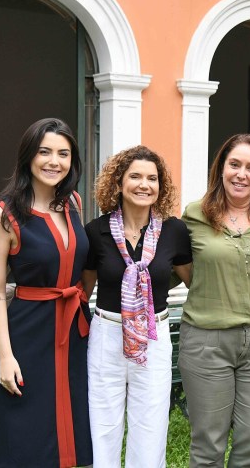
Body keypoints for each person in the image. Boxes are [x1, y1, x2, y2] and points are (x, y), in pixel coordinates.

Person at [0, 118, 92, 467]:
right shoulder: (3, 214)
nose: (55, 162)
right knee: (25, 428)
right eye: (45, 152)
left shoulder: (74, 204)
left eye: (63, 154)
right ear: (28, 157)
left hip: (73, 331)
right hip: (28, 333)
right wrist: (5, 356)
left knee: (71, 422)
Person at [178, 133, 250, 468]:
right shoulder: (195, 215)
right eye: (234, 164)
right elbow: (171, 264)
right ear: (221, 169)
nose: (241, 174)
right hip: (206, 343)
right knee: (208, 446)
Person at [81, 146, 192, 468]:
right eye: (136, 177)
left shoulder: (174, 231)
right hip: (107, 334)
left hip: (154, 336)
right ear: (118, 183)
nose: (144, 184)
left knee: (151, 425)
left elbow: (194, 282)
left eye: (152, 178)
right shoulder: (96, 231)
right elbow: (82, 290)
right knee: (103, 425)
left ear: (161, 186)